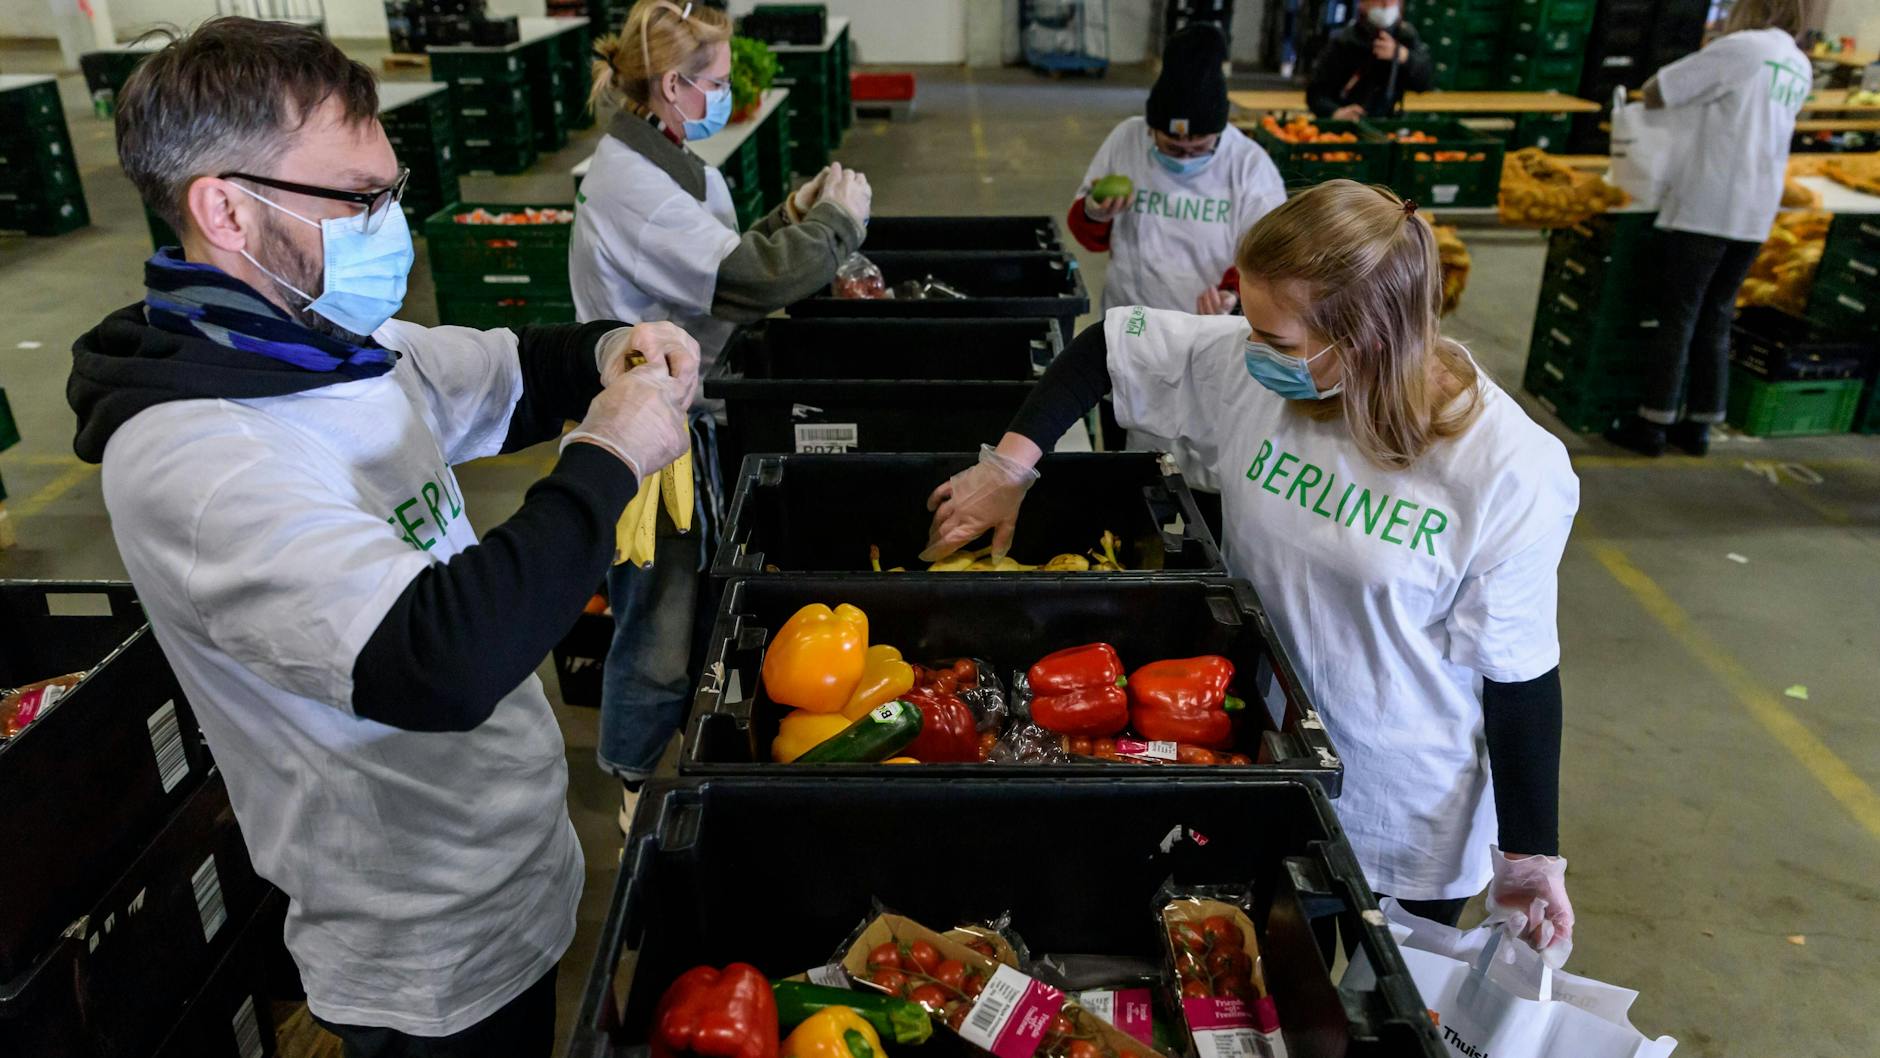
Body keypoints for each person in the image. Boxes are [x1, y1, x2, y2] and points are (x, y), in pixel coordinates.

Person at [67, 18, 697, 1057]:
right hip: (419, 942)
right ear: (223, 207)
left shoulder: (335, 345)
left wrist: (611, 351)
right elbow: (438, 656)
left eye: (392, 190)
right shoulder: (200, 458)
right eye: (358, 200)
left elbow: (507, 370)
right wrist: (606, 454)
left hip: (511, 859)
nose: (388, 224)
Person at [924, 181, 1579, 960]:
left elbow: (1519, 676)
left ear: (1368, 334)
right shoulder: (1256, 373)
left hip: (1400, 812)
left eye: (1281, 341)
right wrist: (1010, 469)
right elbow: (1110, 346)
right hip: (1258, 761)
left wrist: (1530, 855)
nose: (1255, 351)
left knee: (1376, 1012)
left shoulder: (1508, 468)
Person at [568, 0, 871, 828]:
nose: (725, 94)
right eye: (714, 81)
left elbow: (715, 267)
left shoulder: (670, 161)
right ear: (670, 85)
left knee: (683, 593)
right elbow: (750, 282)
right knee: (659, 613)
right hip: (645, 425)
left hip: (682, 404)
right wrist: (838, 227)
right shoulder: (630, 183)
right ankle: (634, 781)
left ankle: (676, 748)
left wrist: (794, 216)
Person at [1069, 23, 1285, 532]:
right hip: (1134, 324)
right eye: (1169, 146)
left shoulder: (1249, 167)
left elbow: (1271, 256)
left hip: (1210, 336)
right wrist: (1099, 210)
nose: (1181, 155)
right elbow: (1086, 230)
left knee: (1204, 465)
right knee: (1131, 457)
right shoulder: (1126, 140)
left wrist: (1234, 296)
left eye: (1196, 149)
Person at [1606, 0, 1809, 457]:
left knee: (1679, 313)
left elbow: (1660, 89)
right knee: (1718, 313)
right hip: (1757, 210)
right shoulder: (1798, 62)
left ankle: (1653, 422)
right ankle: (1701, 423)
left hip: (1710, 204)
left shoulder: (1742, 48)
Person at [1307, 0, 1433, 120]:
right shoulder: (1344, 41)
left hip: (1388, 123)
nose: (1386, 5)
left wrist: (1404, 57)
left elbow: (1425, 83)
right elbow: (1315, 94)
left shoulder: (1405, 36)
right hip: (1348, 123)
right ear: (1362, 4)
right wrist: (1335, 112)